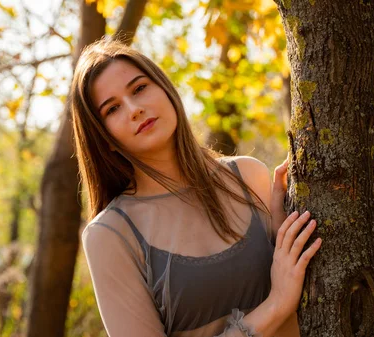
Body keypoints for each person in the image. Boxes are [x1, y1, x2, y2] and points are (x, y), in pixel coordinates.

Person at [70, 37, 322, 337]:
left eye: (139, 88)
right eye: (112, 109)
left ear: (165, 89)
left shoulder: (249, 177)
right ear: (104, 139)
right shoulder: (110, 234)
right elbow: (283, 298)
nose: (134, 109)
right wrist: (276, 305)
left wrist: (279, 236)